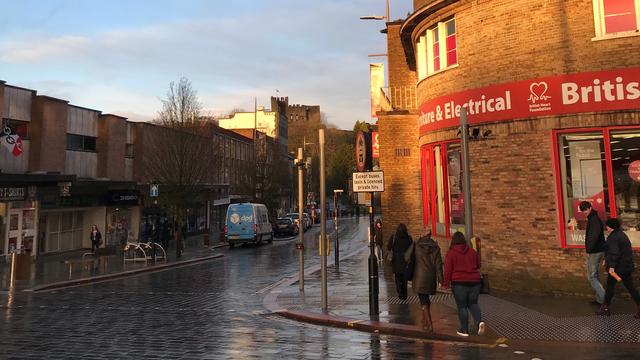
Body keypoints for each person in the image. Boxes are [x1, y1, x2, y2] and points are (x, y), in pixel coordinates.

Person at [443, 231, 485, 337]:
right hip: (475, 282)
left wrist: (446, 284)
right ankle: (479, 322)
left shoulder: (451, 253)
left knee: (462, 306)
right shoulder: (472, 251)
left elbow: (448, 270)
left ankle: (464, 330)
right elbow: (478, 265)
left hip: (459, 283)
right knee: (473, 303)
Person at [596, 218, 640, 317]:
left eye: (607, 225)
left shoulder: (613, 237)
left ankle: (606, 308)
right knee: (629, 287)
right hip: (625, 266)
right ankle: (606, 307)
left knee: (611, 288)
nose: (606, 227)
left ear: (611, 227)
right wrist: (606, 260)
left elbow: (614, 253)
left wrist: (611, 266)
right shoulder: (621, 235)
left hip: (618, 268)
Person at [405, 228, 443, 333]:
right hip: (431, 277)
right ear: (430, 235)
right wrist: (440, 280)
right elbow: (438, 265)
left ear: (422, 235)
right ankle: (425, 321)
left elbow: (406, 257)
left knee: (423, 300)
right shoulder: (436, 247)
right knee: (426, 299)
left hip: (419, 277)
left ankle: (429, 325)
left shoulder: (417, 245)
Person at [579, 201, 606, 305]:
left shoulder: (594, 220)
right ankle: (600, 299)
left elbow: (593, 237)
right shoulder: (592, 218)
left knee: (591, 277)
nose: (584, 212)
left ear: (590, 208)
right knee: (595, 275)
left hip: (595, 251)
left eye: (585, 209)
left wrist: (588, 250)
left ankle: (604, 300)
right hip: (595, 250)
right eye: (583, 210)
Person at [387, 223, 413, 300]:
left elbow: (389, 247)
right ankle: (404, 294)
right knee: (404, 279)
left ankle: (399, 292)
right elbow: (411, 249)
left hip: (396, 261)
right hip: (405, 260)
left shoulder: (394, 237)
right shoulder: (409, 238)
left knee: (398, 277)